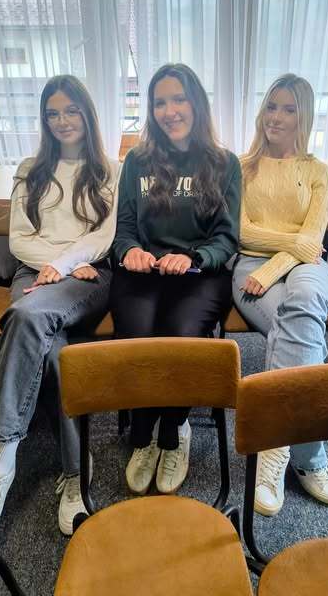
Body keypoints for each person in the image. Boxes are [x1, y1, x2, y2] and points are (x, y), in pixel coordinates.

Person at [0, 75, 118, 547]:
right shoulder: (30, 169)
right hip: (35, 273)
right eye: (52, 113)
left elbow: (104, 236)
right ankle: (75, 472)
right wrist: (54, 265)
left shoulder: (110, 168)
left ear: (87, 114)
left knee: (26, 317)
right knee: (55, 351)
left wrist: (64, 265)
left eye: (71, 110)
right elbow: (19, 240)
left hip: (89, 274)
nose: (62, 121)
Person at [111, 63, 240, 496]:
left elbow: (226, 238)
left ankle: (175, 429)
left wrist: (193, 257)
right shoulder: (137, 161)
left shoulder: (224, 163)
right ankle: (144, 433)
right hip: (144, 271)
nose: (170, 111)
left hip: (199, 273)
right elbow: (124, 230)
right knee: (137, 338)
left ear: (196, 103)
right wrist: (130, 251)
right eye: (160, 102)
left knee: (181, 336)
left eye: (179, 99)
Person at [232, 73, 328, 517]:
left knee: (303, 309)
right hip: (249, 266)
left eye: (289, 109)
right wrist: (291, 245)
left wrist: (276, 264)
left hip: (304, 268)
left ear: (304, 116)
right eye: (271, 106)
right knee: (303, 334)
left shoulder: (318, 172)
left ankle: (273, 450)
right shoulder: (242, 167)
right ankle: (310, 459)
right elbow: (242, 232)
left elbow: (311, 242)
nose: (276, 117)